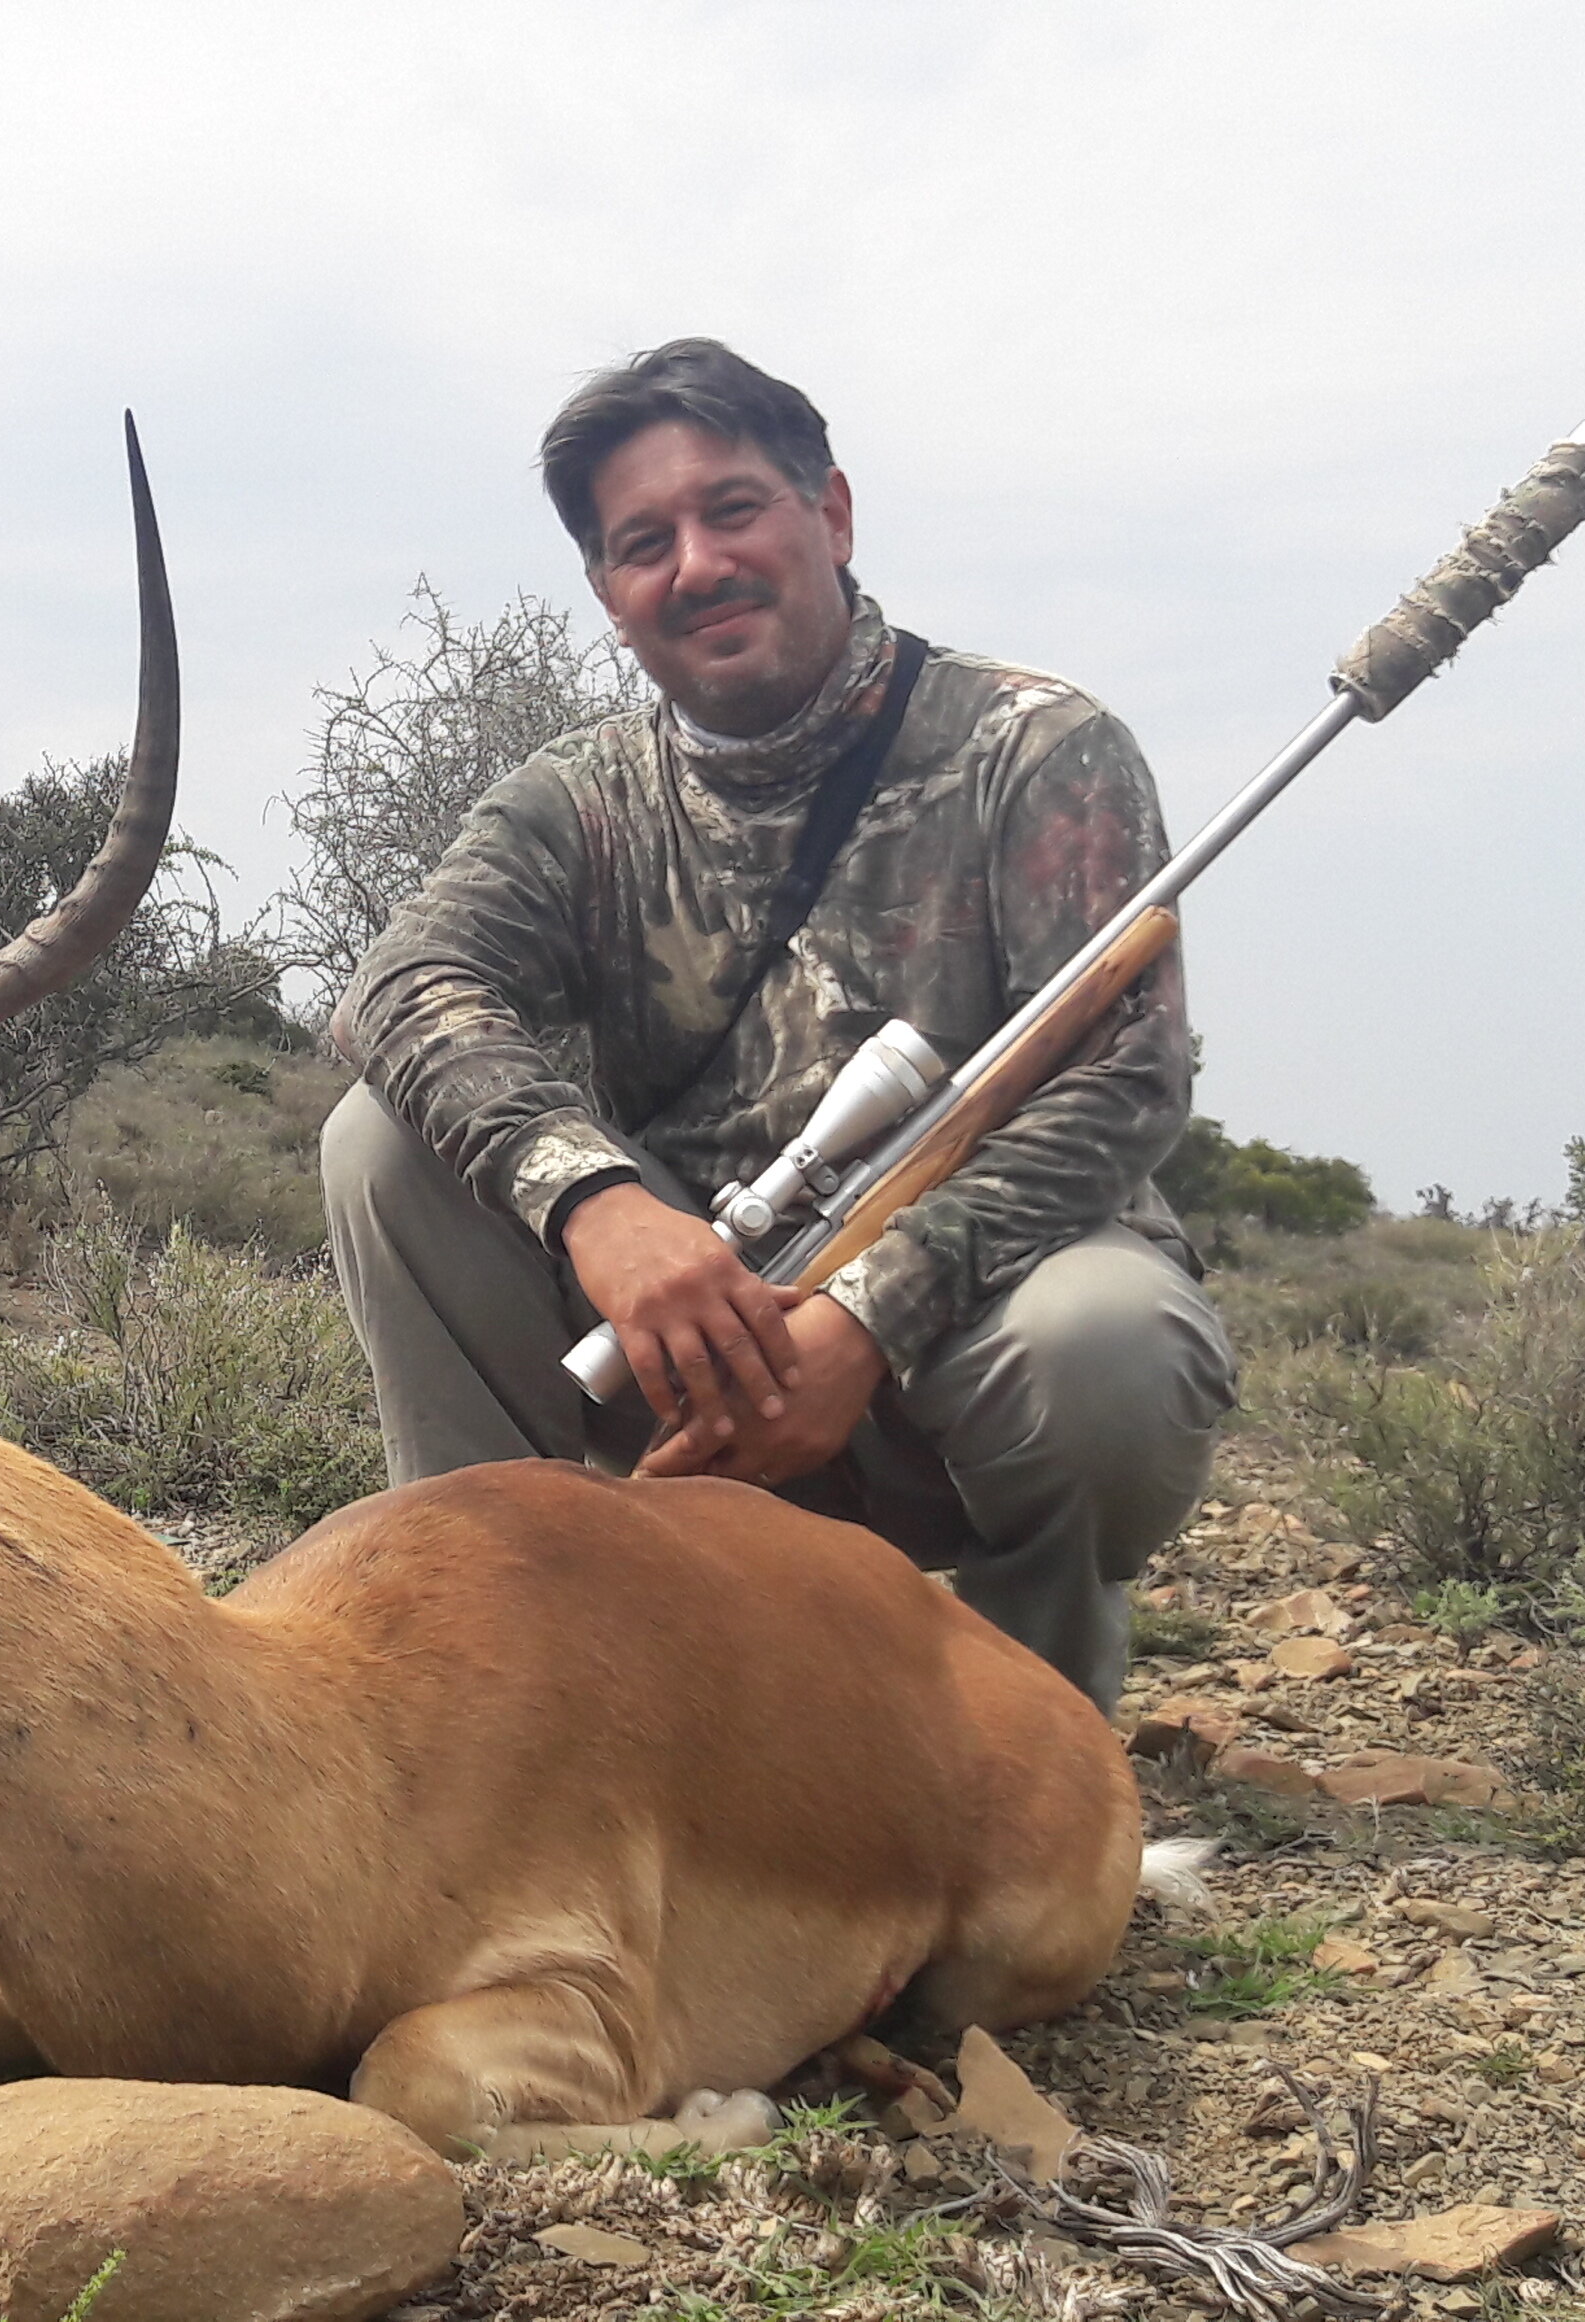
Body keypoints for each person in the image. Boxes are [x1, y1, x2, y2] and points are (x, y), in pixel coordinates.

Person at [323, 336, 1234, 1709]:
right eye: (645, 542)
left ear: (833, 515)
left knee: (1102, 1343)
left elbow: (1130, 1077)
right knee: (376, 1145)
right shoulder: (579, 799)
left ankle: (1034, 1722)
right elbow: (397, 991)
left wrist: (869, 1315)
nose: (697, 563)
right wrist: (602, 1206)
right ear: (610, 595)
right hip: (692, 1348)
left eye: (732, 509)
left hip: (956, 1344)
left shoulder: (1037, 744)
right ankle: (497, 1683)